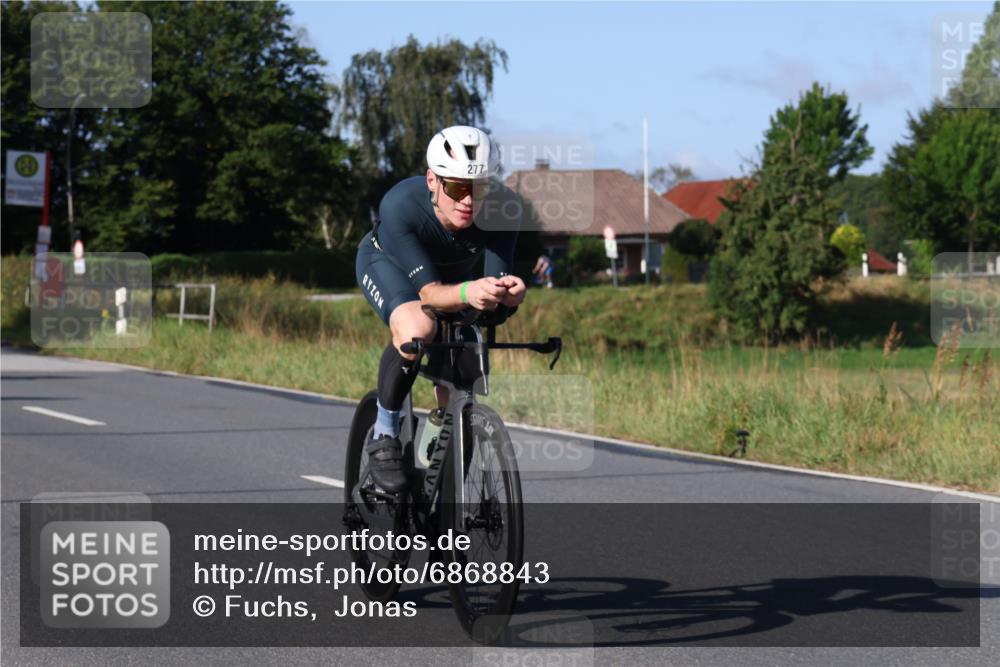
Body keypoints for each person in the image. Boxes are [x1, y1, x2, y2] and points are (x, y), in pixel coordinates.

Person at [354, 125, 526, 493]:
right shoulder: (400, 205)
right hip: (390, 267)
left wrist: (507, 297)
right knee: (418, 329)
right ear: (432, 180)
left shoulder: (504, 211)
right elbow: (431, 295)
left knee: (466, 369)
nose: (469, 200)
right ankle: (384, 431)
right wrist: (469, 291)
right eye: (457, 187)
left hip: (453, 282)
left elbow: (487, 303)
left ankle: (436, 494)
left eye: (479, 188)